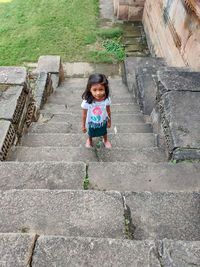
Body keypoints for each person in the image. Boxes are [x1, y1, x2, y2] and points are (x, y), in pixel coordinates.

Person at [81, 73, 112, 148]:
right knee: (91, 132)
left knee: (104, 131)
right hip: (92, 121)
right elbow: (84, 114)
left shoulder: (106, 100)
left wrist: (109, 121)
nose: (98, 93)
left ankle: (105, 140)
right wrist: (83, 126)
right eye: (94, 90)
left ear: (105, 89)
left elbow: (108, 111)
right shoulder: (87, 102)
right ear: (90, 89)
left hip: (103, 120)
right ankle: (89, 140)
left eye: (101, 89)